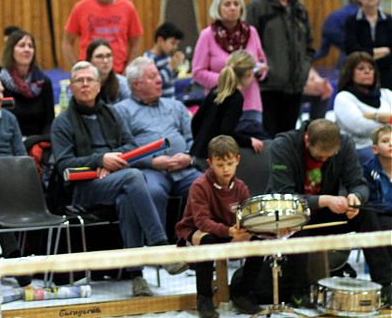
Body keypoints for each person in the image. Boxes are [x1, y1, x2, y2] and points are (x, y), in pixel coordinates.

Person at [51, 61, 186, 297]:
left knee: (127, 197)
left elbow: (130, 145)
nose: (85, 85)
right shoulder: (62, 122)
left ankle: (136, 276)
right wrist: (99, 160)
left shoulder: (112, 113)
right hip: (82, 187)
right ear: (71, 87)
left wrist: (113, 164)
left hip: (115, 178)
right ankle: (161, 248)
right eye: (79, 81)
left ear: (98, 85)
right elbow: (63, 164)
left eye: (89, 80)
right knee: (134, 177)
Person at [267, 119, 392, 306]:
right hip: (293, 215)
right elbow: (283, 196)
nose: (324, 160)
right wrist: (324, 200)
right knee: (295, 226)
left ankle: (385, 285)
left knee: (366, 215)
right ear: (307, 140)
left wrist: (356, 198)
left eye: (329, 156)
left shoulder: (345, 144)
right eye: (319, 157)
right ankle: (299, 292)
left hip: (327, 212)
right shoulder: (283, 146)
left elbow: (358, 183)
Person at [175, 135, 263, 318]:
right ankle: (204, 298)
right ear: (210, 163)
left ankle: (242, 293)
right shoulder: (199, 186)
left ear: (237, 160)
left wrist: (248, 230)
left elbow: (247, 217)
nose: (226, 169)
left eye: (230, 163)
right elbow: (202, 222)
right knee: (209, 240)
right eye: (220, 164)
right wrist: (228, 231)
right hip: (196, 230)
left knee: (258, 243)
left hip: (227, 229)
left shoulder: (241, 188)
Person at [115, 57, 202, 234]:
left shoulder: (176, 105)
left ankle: (204, 244)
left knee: (205, 185)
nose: (160, 80)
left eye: (158, 75)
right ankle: (159, 250)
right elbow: (123, 150)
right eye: (152, 76)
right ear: (136, 84)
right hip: (149, 171)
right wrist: (151, 162)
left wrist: (189, 156)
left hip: (184, 168)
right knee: (151, 191)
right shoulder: (121, 110)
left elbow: (193, 139)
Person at [246, 0, 314, 136]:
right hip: (268, 87)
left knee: (289, 138)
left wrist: (304, 71)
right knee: (270, 139)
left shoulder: (300, 8)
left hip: (295, 85)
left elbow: (309, 45)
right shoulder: (257, 6)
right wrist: (263, 71)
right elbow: (249, 45)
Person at [193, 0, 268, 140]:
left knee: (253, 152)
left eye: (236, 3)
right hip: (222, 103)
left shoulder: (251, 32)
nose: (233, 8)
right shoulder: (207, 35)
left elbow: (261, 62)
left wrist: (260, 71)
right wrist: (230, 79)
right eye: (227, 4)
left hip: (250, 104)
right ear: (218, 8)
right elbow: (198, 72)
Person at [62, 0, 143, 71]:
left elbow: (136, 43)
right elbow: (66, 43)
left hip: (118, 72)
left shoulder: (128, 7)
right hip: (89, 74)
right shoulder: (80, 8)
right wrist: (78, 68)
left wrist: (128, 70)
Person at [191, 51, 264, 160]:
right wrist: (249, 141)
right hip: (212, 157)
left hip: (198, 152)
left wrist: (200, 142)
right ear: (249, 73)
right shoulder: (236, 97)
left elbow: (195, 121)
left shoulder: (216, 90)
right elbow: (226, 133)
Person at [333, 52, 392, 165]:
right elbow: (360, 127)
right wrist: (389, 120)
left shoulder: (386, 94)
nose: (367, 71)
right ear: (350, 73)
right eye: (361, 68)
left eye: (371, 68)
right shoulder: (344, 97)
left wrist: (374, 117)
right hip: (360, 148)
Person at [0, 29, 55, 136]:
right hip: (10, 142)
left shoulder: (43, 82)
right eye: (22, 45)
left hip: (38, 142)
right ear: (11, 50)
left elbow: (49, 121)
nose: (27, 49)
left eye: (30, 46)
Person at [344, 0, 392, 89]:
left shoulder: (389, 20)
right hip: (360, 79)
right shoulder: (352, 21)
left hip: (388, 76)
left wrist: (366, 52)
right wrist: (382, 51)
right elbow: (352, 50)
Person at [363, 125, 392, 260]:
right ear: (375, 149)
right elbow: (372, 203)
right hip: (381, 216)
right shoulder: (367, 170)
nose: (391, 144)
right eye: (385, 141)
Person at [144, 22, 184, 99]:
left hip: (170, 101)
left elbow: (171, 80)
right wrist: (171, 66)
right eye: (172, 43)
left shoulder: (167, 57)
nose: (175, 47)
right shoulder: (148, 58)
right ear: (160, 40)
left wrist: (175, 67)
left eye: (177, 44)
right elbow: (155, 83)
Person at [85, 38, 130, 105]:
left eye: (109, 56)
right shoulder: (81, 84)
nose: (105, 61)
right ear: (89, 60)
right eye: (99, 56)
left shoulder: (123, 83)